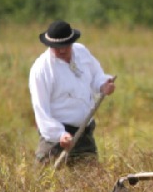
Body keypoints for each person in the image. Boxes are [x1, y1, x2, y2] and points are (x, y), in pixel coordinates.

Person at [29, 20, 116, 165]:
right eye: (57, 47)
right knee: (46, 181)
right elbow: (41, 111)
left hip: (84, 130)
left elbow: (96, 76)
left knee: (91, 181)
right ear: (49, 45)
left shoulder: (82, 52)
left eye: (66, 46)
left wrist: (103, 85)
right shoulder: (41, 70)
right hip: (55, 137)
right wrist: (60, 135)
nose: (62, 50)